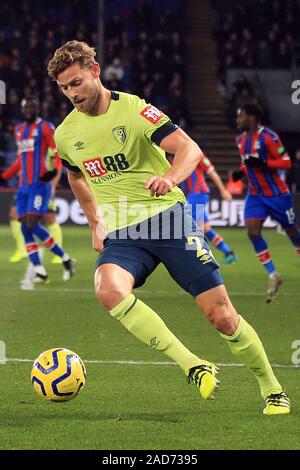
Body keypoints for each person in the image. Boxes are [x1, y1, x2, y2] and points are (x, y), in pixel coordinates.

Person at [48, 40, 290, 415]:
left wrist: (171, 177)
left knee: (222, 316)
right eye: (64, 88)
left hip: (167, 220)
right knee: (108, 289)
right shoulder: (66, 134)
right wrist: (96, 220)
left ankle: (271, 387)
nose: (71, 93)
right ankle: (193, 364)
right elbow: (75, 175)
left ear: (95, 71)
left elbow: (189, 148)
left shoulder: (134, 110)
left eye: (76, 83)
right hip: (124, 231)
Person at [0, 96, 74, 282]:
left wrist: (55, 171)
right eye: (26, 107)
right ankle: (42, 270)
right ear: (22, 110)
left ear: (38, 109)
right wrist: (4, 176)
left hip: (39, 185)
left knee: (31, 224)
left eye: (32, 107)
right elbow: (20, 160)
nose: (28, 110)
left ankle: (64, 258)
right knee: (25, 229)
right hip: (23, 187)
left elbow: (57, 152)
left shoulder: (46, 127)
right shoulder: (18, 130)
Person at [232, 104, 300, 302]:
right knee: (252, 231)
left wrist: (264, 164)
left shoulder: (269, 137)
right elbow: (247, 163)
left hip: (277, 195)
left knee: (293, 233)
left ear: (252, 118)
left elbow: (286, 162)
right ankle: (273, 275)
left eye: (241, 116)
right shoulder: (240, 140)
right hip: (255, 196)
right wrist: (241, 172)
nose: (238, 120)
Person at [180, 154, 238, 264]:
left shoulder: (195, 154)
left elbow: (212, 172)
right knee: (205, 228)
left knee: (192, 227)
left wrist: (223, 190)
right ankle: (229, 252)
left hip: (198, 193)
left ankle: (198, 258)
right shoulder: (174, 155)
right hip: (191, 195)